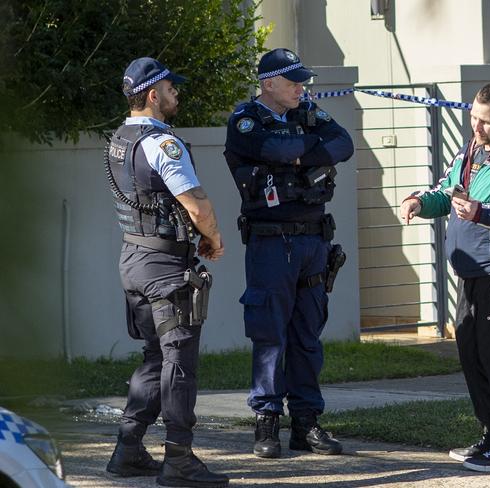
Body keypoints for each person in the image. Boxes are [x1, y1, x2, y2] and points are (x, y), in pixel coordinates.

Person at [400, 83, 490, 473]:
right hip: (470, 273)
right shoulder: (469, 151)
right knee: (471, 353)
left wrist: (482, 213)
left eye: (484, 121)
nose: (476, 128)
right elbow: (447, 192)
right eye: (472, 119)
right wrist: (418, 201)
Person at [104, 57, 229, 487]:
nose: (178, 94)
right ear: (153, 95)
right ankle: (179, 459)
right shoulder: (161, 144)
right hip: (164, 268)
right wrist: (213, 238)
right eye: (172, 89)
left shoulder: (120, 139)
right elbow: (197, 204)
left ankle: (128, 449)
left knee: (156, 357)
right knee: (179, 362)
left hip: (134, 261)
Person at [224, 48, 354, 459]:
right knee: (269, 337)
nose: (302, 88)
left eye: (302, 81)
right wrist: (305, 150)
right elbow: (271, 151)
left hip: (314, 241)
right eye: (294, 81)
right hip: (270, 241)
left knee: (307, 337)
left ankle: (306, 423)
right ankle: (266, 423)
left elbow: (344, 144)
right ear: (268, 84)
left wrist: (298, 150)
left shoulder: (309, 113)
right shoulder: (246, 120)